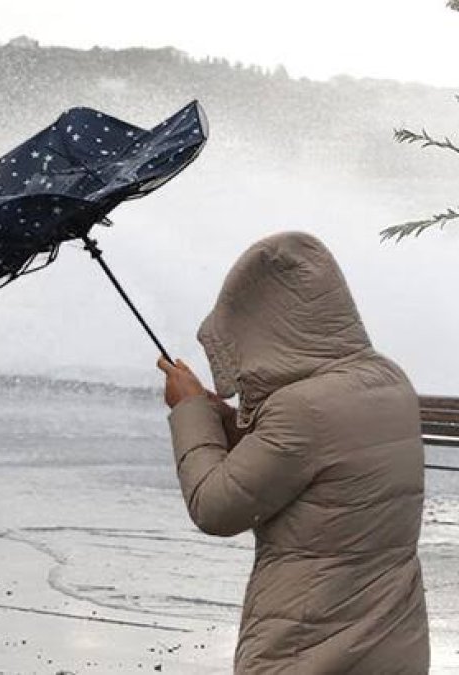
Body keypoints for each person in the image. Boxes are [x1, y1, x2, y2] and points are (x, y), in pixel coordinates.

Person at [158, 231, 429, 673]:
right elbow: (314, 466)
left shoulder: (301, 408)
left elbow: (215, 508)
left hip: (308, 642)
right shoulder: (387, 379)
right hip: (392, 638)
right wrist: (222, 417)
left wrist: (189, 410)